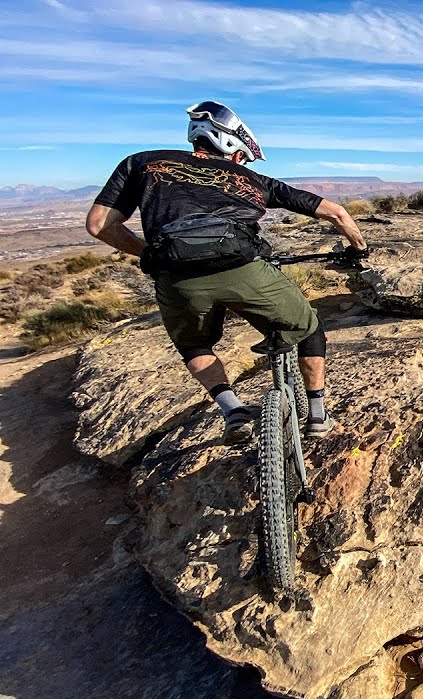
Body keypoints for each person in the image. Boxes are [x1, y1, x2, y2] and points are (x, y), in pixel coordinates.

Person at [85, 101, 369, 445]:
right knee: (309, 326)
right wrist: (359, 250)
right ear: (235, 152)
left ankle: (233, 410)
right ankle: (318, 415)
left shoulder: (141, 162)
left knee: (193, 343)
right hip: (241, 267)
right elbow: (337, 213)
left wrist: (151, 254)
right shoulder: (253, 178)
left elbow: (99, 225)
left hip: (177, 276)